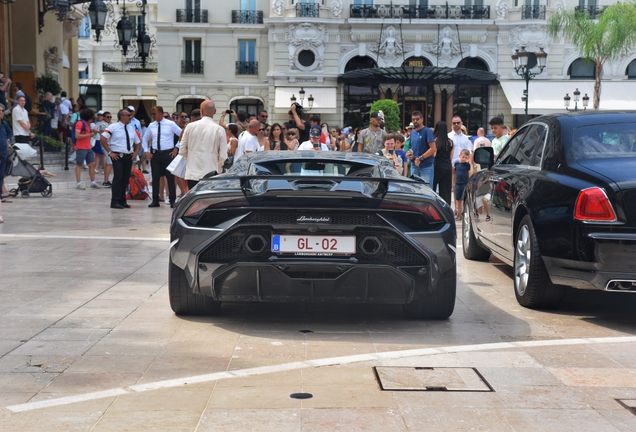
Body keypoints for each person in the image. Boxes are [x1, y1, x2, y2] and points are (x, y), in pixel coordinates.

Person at [179, 100, 227, 189]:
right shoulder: (220, 130)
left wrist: (192, 158)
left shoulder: (190, 126)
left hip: (192, 173)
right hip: (211, 172)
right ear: (215, 111)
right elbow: (223, 156)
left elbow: (182, 150)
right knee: (208, 201)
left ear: (201, 110)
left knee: (194, 201)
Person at [100, 108, 141, 209]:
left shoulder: (131, 128)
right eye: (128, 115)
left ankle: (123, 200)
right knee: (118, 178)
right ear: (121, 116)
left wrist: (136, 152)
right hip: (118, 156)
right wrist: (110, 152)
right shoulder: (113, 127)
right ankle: (115, 201)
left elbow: (138, 142)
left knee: (125, 179)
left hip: (128, 156)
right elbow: (103, 138)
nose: (130, 117)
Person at [143, 106, 182, 208]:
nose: (153, 116)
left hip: (168, 153)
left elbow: (182, 134)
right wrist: (146, 150)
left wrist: (176, 147)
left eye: (155, 114)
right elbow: (145, 138)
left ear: (161, 113)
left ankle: (172, 200)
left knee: (170, 177)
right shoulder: (152, 125)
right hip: (156, 154)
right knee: (155, 177)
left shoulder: (170, 124)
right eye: (152, 114)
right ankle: (155, 200)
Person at [405, 110, 435, 185]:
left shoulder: (427, 131)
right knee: (415, 190)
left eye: (417, 119)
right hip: (414, 165)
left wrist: (420, 158)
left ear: (422, 119)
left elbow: (433, 148)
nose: (415, 121)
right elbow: (414, 147)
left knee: (426, 191)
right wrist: (409, 153)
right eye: (413, 119)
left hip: (426, 166)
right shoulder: (412, 133)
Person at [73, 108, 100, 189]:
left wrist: (93, 132)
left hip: (88, 147)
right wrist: (90, 134)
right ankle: (78, 183)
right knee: (79, 165)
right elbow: (77, 136)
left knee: (92, 164)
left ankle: (93, 182)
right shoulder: (80, 123)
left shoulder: (87, 124)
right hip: (81, 147)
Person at [432, 121, 454, 205]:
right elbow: (451, 157)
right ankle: (446, 208)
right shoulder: (450, 142)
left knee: (433, 189)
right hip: (447, 167)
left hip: (437, 166)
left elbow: (434, 155)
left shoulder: (435, 141)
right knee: (446, 191)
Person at [0, 103, 13, 206]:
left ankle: (1, 196)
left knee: (1, 175)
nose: (1, 112)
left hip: (3, 153)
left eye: (2, 111)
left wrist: (7, 140)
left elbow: (9, 132)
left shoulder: (4, 124)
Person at [453, 149, 472, 219]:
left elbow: (469, 173)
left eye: (466, 158)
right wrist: (453, 183)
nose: (464, 159)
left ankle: (465, 213)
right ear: (459, 156)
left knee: (464, 199)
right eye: (463, 157)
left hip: (465, 183)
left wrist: (469, 183)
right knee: (458, 199)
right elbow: (454, 174)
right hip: (458, 183)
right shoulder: (456, 164)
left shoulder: (467, 165)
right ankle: (459, 214)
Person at [99, 111, 113, 187]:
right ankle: (105, 181)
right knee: (110, 163)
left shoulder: (109, 125)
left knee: (109, 163)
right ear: (104, 117)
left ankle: (106, 180)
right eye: (108, 117)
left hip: (109, 146)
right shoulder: (104, 125)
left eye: (110, 117)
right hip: (106, 146)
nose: (109, 118)